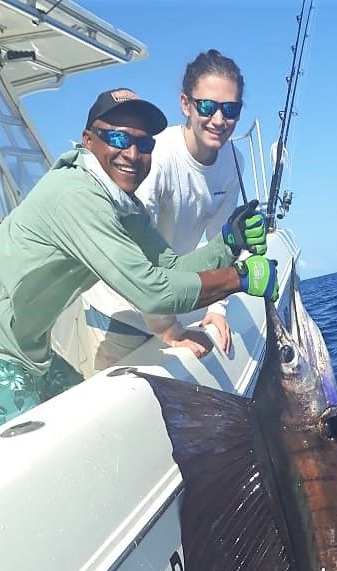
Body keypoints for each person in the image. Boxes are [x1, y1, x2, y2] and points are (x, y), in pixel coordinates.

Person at [0, 87, 278, 437]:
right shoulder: (76, 195)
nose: (134, 154)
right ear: (88, 140)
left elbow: (170, 268)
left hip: (25, 344)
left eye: (146, 144)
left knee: (88, 426)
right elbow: (153, 294)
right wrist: (239, 278)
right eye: (119, 138)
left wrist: (228, 243)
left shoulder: (123, 205)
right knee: (39, 457)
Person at [82, 49, 249, 368]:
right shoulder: (156, 158)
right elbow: (133, 258)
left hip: (170, 297)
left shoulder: (234, 162)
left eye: (230, 108)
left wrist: (217, 309)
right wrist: (170, 329)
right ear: (186, 104)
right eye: (207, 106)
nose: (218, 119)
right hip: (120, 311)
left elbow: (221, 244)